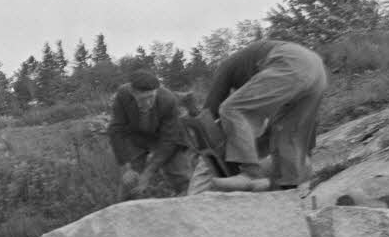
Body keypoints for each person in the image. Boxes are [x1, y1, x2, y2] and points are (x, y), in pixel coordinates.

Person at [187, 38, 327, 194]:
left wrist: (199, 147)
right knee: (285, 131)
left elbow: (209, 110)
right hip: (317, 68)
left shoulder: (227, 66)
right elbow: (304, 126)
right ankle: (291, 189)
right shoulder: (259, 74)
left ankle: (251, 173)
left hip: (290, 61)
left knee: (230, 108)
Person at [108, 68, 192, 199]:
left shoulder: (168, 100)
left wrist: (148, 173)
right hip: (137, 136)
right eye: (142, 99)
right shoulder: (123, 94)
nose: (147, 103)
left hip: (166, 136)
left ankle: (185, 203)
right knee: (130, 180)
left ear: (156, 91)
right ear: (132, 93)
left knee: (182, 178)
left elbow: (168, 140)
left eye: (151, 98)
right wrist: (125, 167)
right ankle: (125, 210)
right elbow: (115, 130)